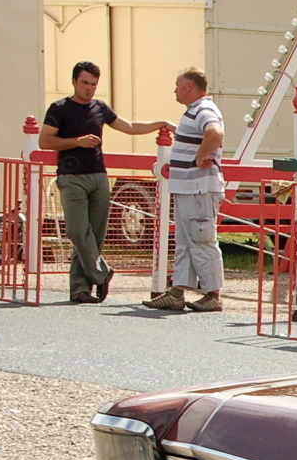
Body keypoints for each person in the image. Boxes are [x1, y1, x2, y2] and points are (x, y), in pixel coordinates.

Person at [39, 61, 172, 303]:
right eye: (85, 83)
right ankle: (102, 273)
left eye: (93, 84)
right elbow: (45, 141)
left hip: (99, 176)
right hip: (71, 177)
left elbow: (129, 127)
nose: (89, 88)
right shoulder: (59, 108)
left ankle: (80, 289)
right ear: (74, 82)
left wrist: (160, 123)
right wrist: (77, 141)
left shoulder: (100, 107)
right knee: (78, 231)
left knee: (95, 235)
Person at [145, 68, 226, 312]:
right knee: (186, 240)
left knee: (201, 239)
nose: (175, 90)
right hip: (189, 188)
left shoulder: (204, 109)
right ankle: (177, 291)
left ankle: (213, 294)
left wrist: (201, 155)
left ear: (189, 87)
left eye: (178, 85)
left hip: (198, 188)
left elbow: (215, 132)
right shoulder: (195, 111)